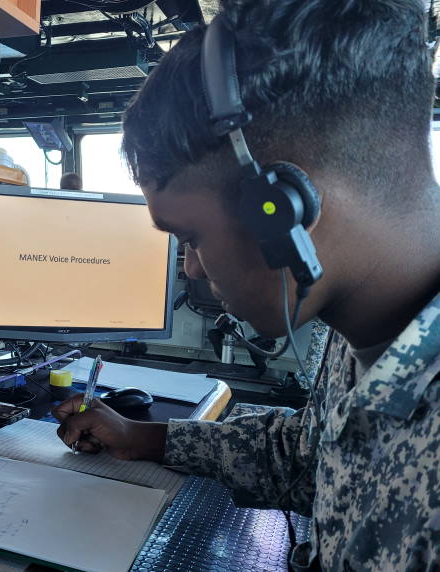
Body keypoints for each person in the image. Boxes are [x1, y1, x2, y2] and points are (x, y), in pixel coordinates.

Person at [53, 1, 440, 570]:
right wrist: (141, 437)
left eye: (191, 235)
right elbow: (309, 459)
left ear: (283, 208)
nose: (192, 270)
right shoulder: (366, 318)